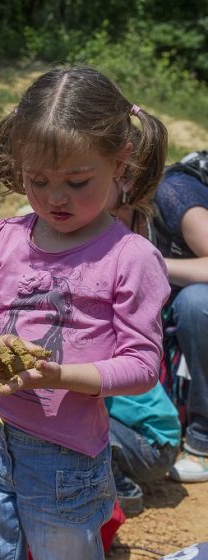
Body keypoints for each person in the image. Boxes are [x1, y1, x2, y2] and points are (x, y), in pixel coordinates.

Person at [0, 66, 171, 560]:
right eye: (37, 180)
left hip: (64, 452)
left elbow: (141, 366)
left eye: (76, 180)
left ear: (120, 162)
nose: (54, 197)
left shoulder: (130, 258)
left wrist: (60, 374)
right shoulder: (3, 237)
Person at [114, 154, 208, 483]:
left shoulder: (173, 194)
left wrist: (149, 263)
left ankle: (202, 439)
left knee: (198, 303)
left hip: (197, 300)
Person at [105, 382, 181, 516]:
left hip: (156, 452)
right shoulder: (120, 362)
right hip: (165, 447)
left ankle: (126, 494)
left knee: (88, 425)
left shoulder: (97, 368)